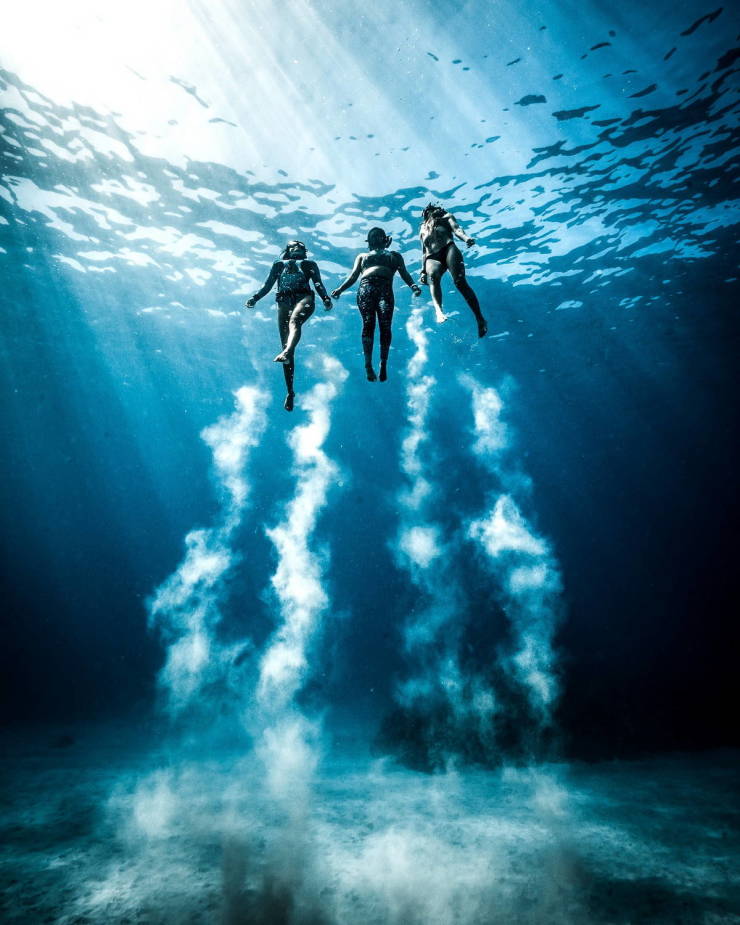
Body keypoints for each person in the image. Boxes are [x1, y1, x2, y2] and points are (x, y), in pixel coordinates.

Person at [245, 240, 332, 411]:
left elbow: (317, 283)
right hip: (283, 301)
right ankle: (290, 392)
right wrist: (255, 297)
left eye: (300, 245)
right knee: (285, 344)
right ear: (288, 250)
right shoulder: (278, 265)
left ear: (304, 251)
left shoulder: (308, 264)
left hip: (304, 297)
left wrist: (325, 298)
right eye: (293, 245)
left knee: (295, 321)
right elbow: (268, 285)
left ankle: (286, 352)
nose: (297, 246)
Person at [331, 227, 421, 381]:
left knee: (385, 325)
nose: (377, 238)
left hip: (385, 289)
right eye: (374, 236)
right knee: (368, 324)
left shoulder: (394, 256)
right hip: (366, 288)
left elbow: (404, 272)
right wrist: (340, 289)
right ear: (369, 241)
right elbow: (353, 276)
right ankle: (368, 365)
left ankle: (383, 363)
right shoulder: (362, 256)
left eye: (380, 236)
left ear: (385, 239)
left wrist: (413, 285)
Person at [419, 203, 487, 337]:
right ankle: (439, 311)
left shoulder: (446, 217)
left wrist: (466, 238)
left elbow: (457, 229)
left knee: (460, 282)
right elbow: (423, 250)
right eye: (425, 213)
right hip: (432, 256)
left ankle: (480, 319)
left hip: (448, 248)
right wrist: (422, 271)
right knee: (432, 276)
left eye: (429, 211)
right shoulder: (422, 228)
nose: (427, 214)